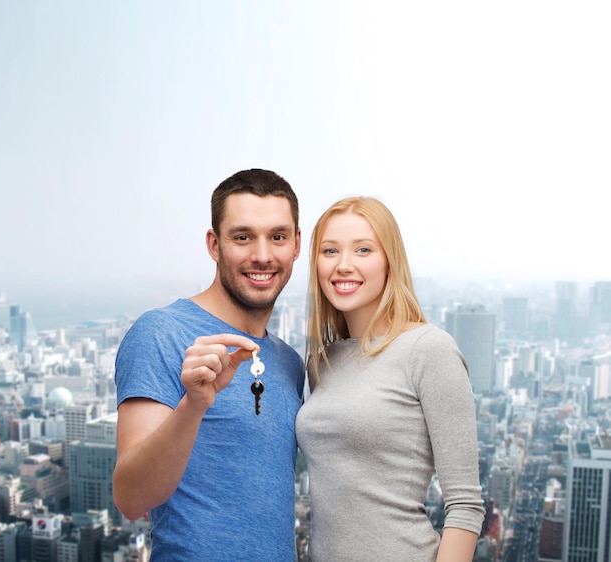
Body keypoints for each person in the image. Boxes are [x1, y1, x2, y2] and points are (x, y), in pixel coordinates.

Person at [113, 169, 304, 561]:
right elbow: (131, 498)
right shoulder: (161, 333)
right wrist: (194, 405)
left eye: (278, 237)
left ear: (296, 245)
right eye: (243, 236)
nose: (263, 255)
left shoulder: (290, 362)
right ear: (214, 245)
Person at [296, 197, 485, 561]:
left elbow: (465, 504)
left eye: (363, 249)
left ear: (389, 262)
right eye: (329, 250)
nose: (343, 265)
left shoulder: (430, 349)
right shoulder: (323, 362)